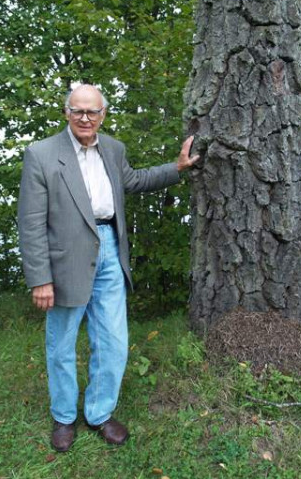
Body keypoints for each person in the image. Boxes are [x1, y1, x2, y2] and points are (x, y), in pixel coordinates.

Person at [18, 84, 198, 452]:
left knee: (113, 341)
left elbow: (132, 181)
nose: (86, 118)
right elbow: (31, 222)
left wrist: (176, 168)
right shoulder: (41, 154)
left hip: (110, 251)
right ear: (66, 112)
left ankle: (99, 413)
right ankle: (64, 416)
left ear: (103, 115)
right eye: (78, 111)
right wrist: (40, 278)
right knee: (62, 343)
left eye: (93, 112)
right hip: (65, 258)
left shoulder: (113, 149)